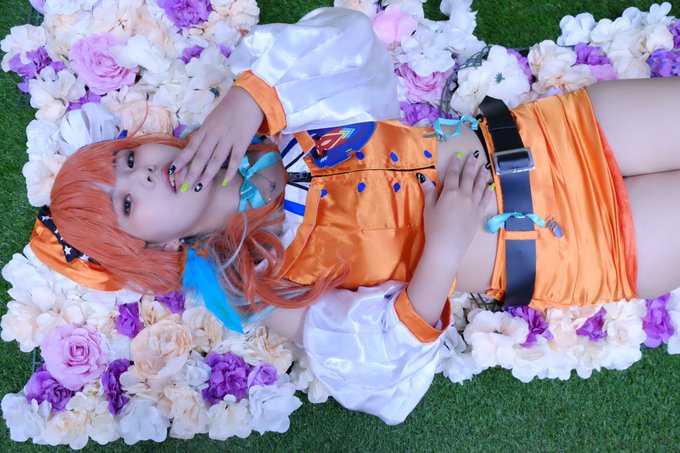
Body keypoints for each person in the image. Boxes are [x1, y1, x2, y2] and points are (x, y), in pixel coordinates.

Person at [29, 7, 680, 424]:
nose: (141, 173)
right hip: (573, 245)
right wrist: (444, 247)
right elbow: (377, 371)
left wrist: (247, 101)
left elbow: (348, 40)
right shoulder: (262, 283)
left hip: (556, 135)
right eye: (126, 201)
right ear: (152, 246)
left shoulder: (278, 123)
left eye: (128, 159)